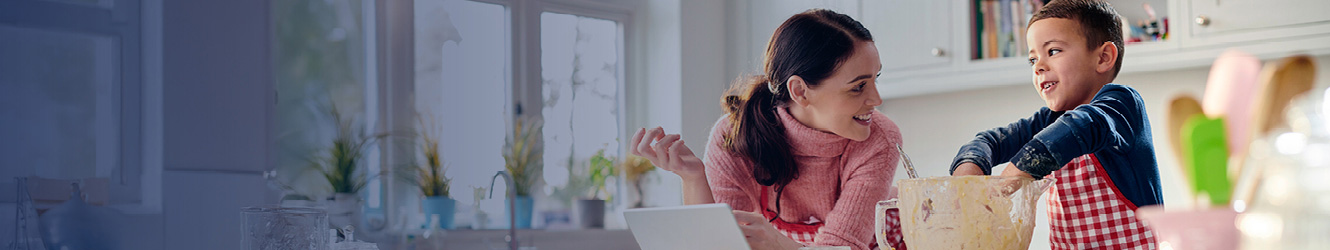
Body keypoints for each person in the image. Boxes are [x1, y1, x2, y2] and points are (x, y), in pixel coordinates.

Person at [629, 9, 902, 250]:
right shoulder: (735, 136)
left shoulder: (879, 138)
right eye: (858, 86)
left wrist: (779, 245)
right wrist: (692, 178)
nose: (877, 100)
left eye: (875, 79)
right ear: (800, 91)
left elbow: (843, 247)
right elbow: (725, 245)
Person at [950, 0, 1162, 249]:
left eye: (1053, 51)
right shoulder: (1049, 121)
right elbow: (989, 141)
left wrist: (1003, 185)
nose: (1039, 66)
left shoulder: (1121, 106)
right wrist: (968, 178)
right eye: (1032, 60)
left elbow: (1079, 128)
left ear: (1103, 57)